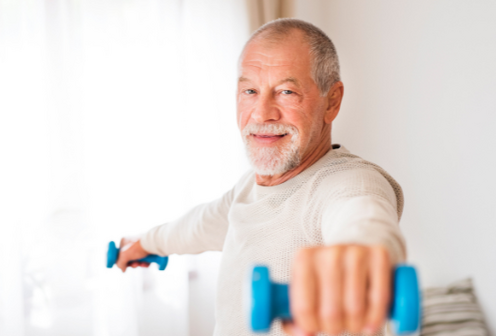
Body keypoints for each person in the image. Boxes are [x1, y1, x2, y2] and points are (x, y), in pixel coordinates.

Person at [116, 18, 406, 336]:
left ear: (332, 101)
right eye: (250, 91)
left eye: (286, 91)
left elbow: (363, 217)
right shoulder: (248, 188)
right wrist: (146, 242)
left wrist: (360, 260)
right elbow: (199, 225)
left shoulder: (347, 181)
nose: (261, 112)